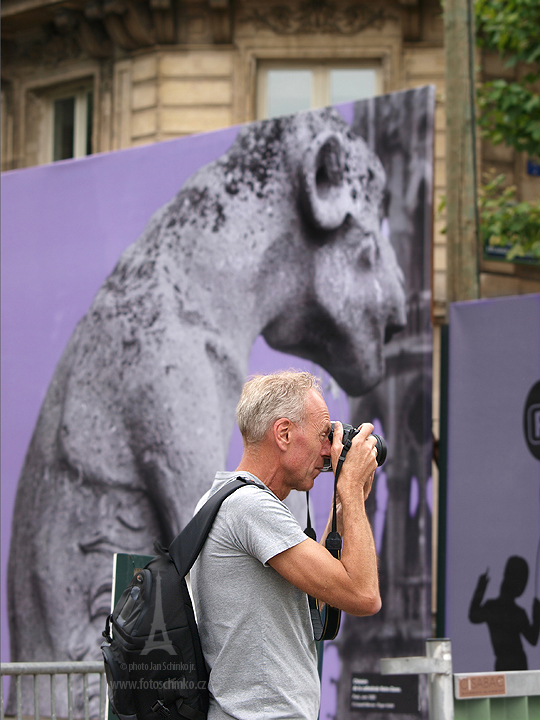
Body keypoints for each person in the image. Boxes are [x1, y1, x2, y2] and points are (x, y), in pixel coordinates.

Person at [190, 370, 381, 720]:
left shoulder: (227, 499)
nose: (329, 450)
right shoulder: (249, 507)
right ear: (284, 433)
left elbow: (324, 589)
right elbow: (364, 595)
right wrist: (350, 488)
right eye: (325, 434)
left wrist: (344, 503)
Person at [469, 556, 540, 671]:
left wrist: (481, 587)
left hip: (512, 663)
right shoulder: (515, 612)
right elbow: (533, 638)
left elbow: (473, 615)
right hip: (510, 663)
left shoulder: (496, 608)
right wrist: (537, 616)